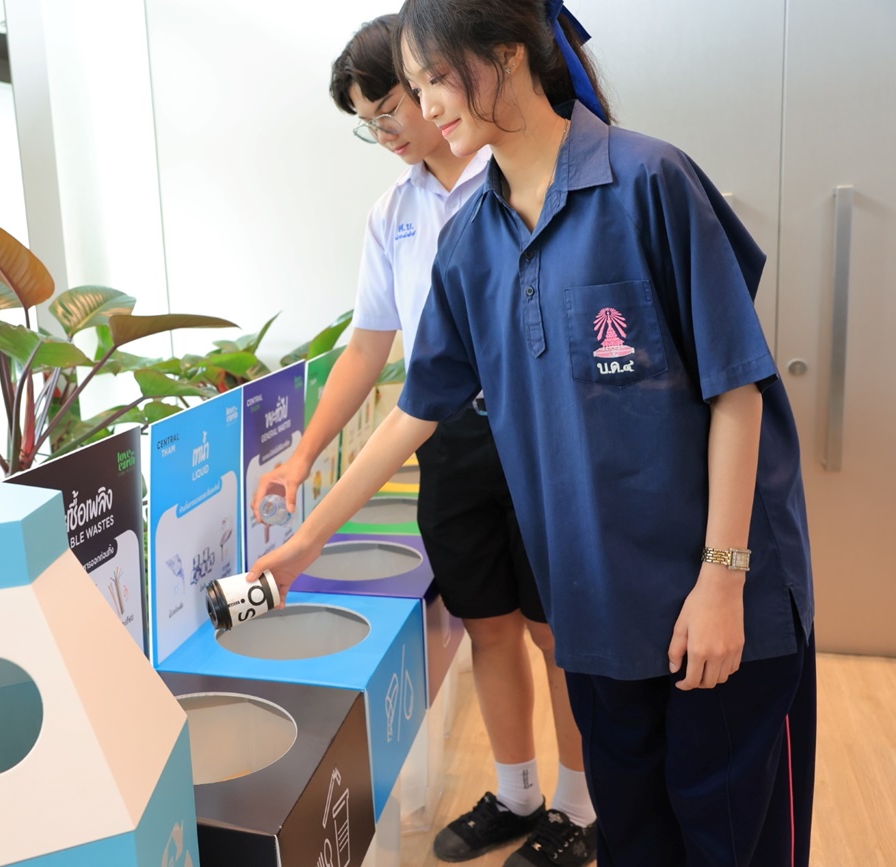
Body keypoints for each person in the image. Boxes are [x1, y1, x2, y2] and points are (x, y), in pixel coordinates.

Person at [251, 1, 817, 865]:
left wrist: (722, 579)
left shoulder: (649, 182)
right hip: (598, 614)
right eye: (416, 87)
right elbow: (414, 411)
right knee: (637, 841)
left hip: (721, 606)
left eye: (436, 79)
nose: (427, 106)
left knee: (731, 842)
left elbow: (737, 388)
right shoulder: (468, 244)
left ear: (509, 53)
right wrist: (303, 546)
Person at [252, 14, 595, 865]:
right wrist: (303, 454)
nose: (387, 132)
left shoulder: (512, 172)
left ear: (433, 81)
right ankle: (517, 790)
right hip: (444, 437)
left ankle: (580, 804)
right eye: (367, 123)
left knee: (558, 634)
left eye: (391, 108)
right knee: (488, 622)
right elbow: (370, 348)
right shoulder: (393, 213)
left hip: (535, 432)